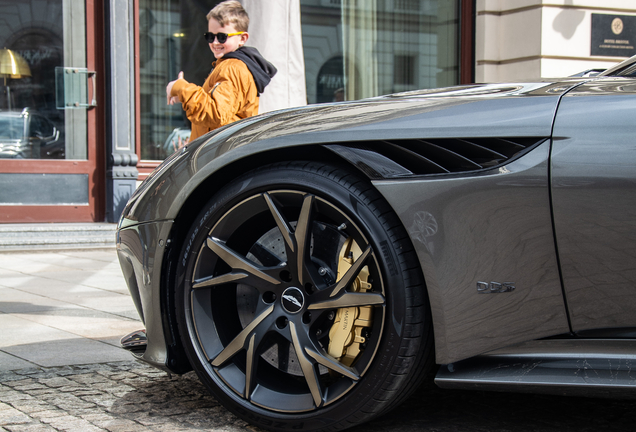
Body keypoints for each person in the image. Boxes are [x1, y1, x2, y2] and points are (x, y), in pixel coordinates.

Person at [166, 0, 277, 141]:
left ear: (242, 38)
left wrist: (180, 88)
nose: (215, 42)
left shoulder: (232, 68)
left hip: (218, 154)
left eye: (222, 37)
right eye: (210, 36)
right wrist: (184, 95)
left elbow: (216, 114)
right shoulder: (234, 66)